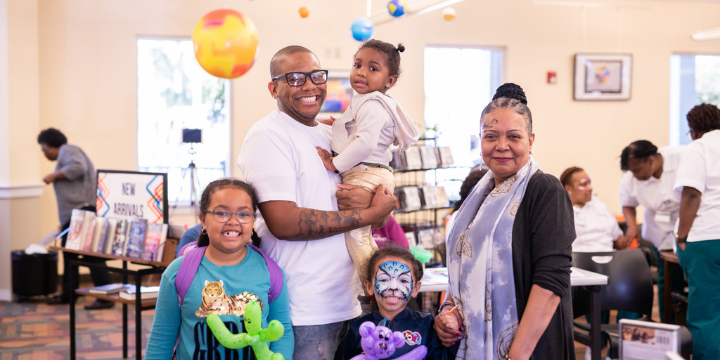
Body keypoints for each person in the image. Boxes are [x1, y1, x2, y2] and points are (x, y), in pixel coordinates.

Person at [236, 45, 397, 360]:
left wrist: (371, 206)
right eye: (294, 78)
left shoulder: (331, 135)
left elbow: (376, 208)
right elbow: (284, 222)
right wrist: (367, 214)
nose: (309, 85)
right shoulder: (268, 136)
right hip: (303, 310)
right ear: (274, 88)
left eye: (316, 76)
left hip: (351, 301)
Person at [434, 83, 576, 360]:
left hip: (530, 349)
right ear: (480, 139)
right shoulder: (477, 198)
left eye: (514, 136)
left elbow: (551, 282)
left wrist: (516, 356)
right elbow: (463, 270)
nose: (501, 146)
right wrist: (448, 313)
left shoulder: (545, 190)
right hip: (475, 343)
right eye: (491, 136)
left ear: (531, 140)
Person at [145, 179, 294, 359]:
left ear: (253, 220)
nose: (233, 221)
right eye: (221, 213)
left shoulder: (270, 271)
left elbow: (282, 330)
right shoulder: (178, 272)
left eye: (243, 214)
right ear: (203, 221)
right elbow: (162, 338)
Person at [316, 39, 419, 286]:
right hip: (373, 172)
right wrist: (339, 126)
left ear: (390, 81)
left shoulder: (373, 104)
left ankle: (373, 285)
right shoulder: (366, 101)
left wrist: (335, 164)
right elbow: (359, 134)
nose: (361, 72)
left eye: (373, 68)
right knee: (364, 237)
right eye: (357, 64)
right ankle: (380, 278)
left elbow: (365, 144)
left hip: (367, 173)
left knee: (355, 234)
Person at [38, 128, 114, 310]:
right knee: (74, 255)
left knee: (91, 256)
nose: (43, 152)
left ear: (50, 144)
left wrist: (53, 176)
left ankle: (104, 296)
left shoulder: (67, 150)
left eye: (43, 148)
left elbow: (77, 167)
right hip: (77, 214)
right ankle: (70, 295)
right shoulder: (67, 152)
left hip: (81, 212)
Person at [343, 247, 457, 359]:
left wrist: (454, 337)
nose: (393, 287)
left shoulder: (426, 324)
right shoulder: (359, 328)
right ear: (369, 286)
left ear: (415, 289)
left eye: (403, 280)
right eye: (384, 279)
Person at [619, 139, 686, 322]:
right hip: (659, 231)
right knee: (668, 277)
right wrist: (632, 226)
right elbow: (628, 204)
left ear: (651, 160)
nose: (635, 175)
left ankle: (687, 321)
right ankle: (669, 322)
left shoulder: (682, 157)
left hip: (687, 224)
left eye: (637, 170)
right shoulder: (630, 177)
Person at [673, 103, 720, 359]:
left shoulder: (700, 147)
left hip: (708, 240)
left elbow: (691, 194)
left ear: (694, 127)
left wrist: (681, 236)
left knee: (707, 314)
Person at [560, 166, 628, 252]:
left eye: (589, 183)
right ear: (568, 188)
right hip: (577, 262)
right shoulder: (562, 212)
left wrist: (629, 237)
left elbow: (619, 240)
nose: (590, 188)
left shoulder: (600, 207)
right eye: (583, 184)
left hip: (609, 261)